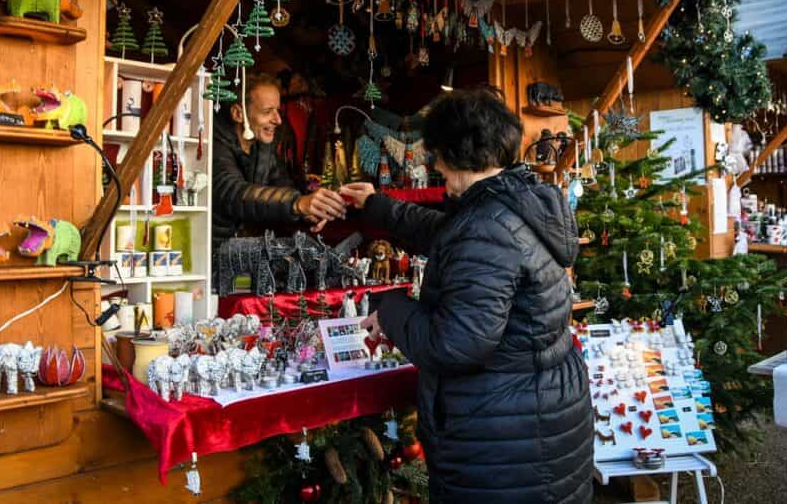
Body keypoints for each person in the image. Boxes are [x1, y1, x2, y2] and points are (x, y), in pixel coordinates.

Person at [341, 87, 592, 503]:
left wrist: (390, 309)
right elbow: (445, 233)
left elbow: (456, 343)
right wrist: (377, 206)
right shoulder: (510, 201)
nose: (433, 164)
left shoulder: (485, 227)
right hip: (536, 422)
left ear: (452, 153)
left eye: (435, 153)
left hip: (504, 443)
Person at [212, 72, 346, 252]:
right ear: (238, 114)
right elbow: (233, 192)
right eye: (267, 112)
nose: (278, 120)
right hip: (208, 254)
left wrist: (307, 213)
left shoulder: (263, 148)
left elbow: (282, 189)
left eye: (278, 110)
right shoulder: (213, 144)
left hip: (240, 251)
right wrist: (297, 203)